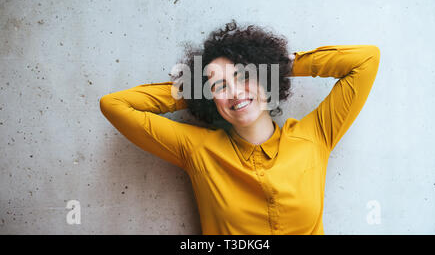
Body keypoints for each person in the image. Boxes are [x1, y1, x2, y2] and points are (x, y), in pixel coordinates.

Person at [99, 20, 380, 234]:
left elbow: (366, 60)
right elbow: (115, 105)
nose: (234, 92)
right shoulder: (198, 150)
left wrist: (280, 65)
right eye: (219, 86)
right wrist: (194, 87)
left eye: (244, 76)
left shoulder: (315, 136)